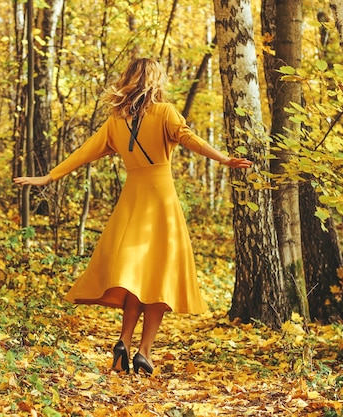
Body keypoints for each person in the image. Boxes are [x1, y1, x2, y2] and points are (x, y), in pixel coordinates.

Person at [13, 58, 252, 375]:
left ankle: (124, 341)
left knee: (136, 278)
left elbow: (85, 151)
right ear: (155, 81)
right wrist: (223, 159)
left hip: (132, 202)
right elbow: (188, 137)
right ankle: (144, 352)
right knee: (159, 278)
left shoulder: (116, 121)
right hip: (162, 201)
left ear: (129, 80)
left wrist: (49, 177)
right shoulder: (165, 112)